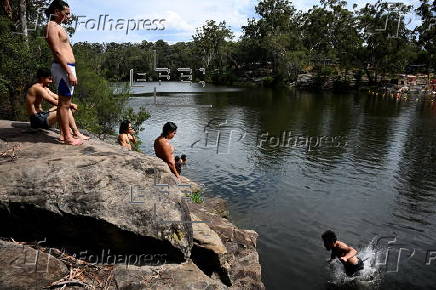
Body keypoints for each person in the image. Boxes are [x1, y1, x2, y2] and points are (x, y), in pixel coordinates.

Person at [45, 0, 82, 145]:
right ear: (56, 11)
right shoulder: (51, 26)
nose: (68, 17)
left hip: (66, 67)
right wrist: (69, 72)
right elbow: (56, 51)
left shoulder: (57, 26)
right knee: (64, 105)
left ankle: (63, 135)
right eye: (66, 13)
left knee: (65, 103)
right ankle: (67, 137)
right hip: (63, 68)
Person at [25, 68, 89, 142]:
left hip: (42, 115)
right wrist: (69, 105)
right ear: (42, 78)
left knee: (64, 107)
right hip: (37, 120)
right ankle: (75, 133)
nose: (51, 81)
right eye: (49, 78)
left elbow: (57, 97)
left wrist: (70, 103)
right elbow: (52, 101)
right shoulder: (37, 88)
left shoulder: (44, 88)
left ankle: (63, 133)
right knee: (65, 109)